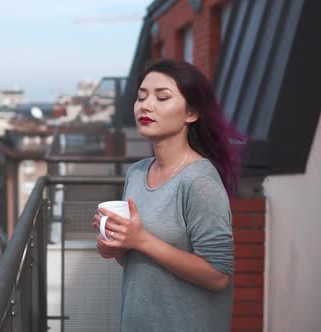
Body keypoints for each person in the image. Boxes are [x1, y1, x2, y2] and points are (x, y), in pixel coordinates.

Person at [93, 59, 244, 331]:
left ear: (191, 113)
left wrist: (140, 239)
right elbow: (137, 258)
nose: (146, 105)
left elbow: (219, 275)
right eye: (141, 97)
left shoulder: (199, 180)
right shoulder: (137, 173)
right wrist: (116, 247)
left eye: (162, 97)